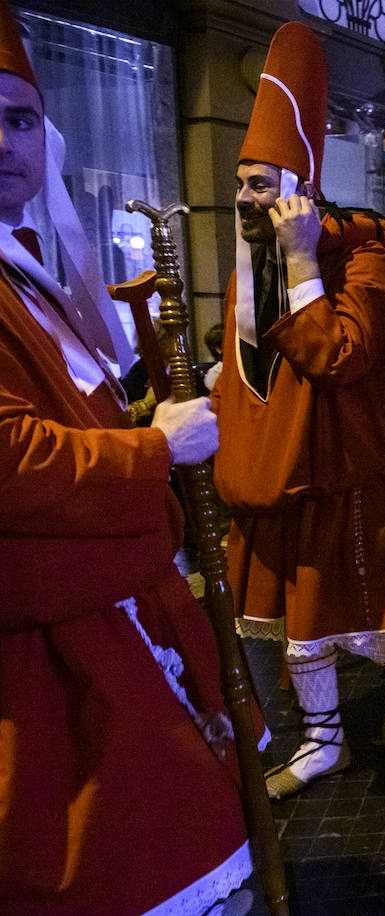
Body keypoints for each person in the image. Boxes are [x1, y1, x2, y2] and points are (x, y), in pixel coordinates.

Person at [0, 0, 258, 909]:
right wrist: (155, 449)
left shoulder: (21, 266)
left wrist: (150, 409)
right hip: (47, 659)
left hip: (111, 615)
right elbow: (11, 459)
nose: (3, 142)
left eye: (19, 118)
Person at [212, 22, 385, 800]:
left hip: (345, 477)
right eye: (242, 182)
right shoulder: (248, 264)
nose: (246, 198)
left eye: (263, 184)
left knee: (368, 622)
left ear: (303, 195)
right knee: (298, 630)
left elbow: (340, 356)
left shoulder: (365, 263)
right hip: (272, 477)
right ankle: (324, 741)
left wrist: (306, 258)